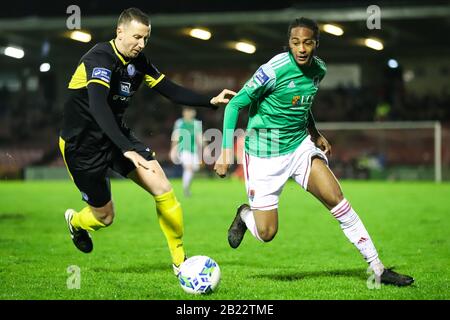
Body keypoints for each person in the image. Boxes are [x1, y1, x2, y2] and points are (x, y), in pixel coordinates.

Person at [214, 17, 414, 286]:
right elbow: (234, 105)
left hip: (298, 148)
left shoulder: (318, 70)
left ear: (316, 44)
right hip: (263, 155)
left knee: (337, 199)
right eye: (296, 43)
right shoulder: (273, 70)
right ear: (289, 44)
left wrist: (315, 133)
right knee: (266, 233)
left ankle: (377, 268)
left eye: (307, 42)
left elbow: (302, 105)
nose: (302, 48)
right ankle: (244, 214)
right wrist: (226, 151)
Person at [59, 7, 235, 274]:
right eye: (137, 37)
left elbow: (168, 89)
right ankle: (77, 222)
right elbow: (98, 106)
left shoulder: (139, 61)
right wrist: (126, 148)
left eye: (146, 39)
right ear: (120, 32)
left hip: (117, 137)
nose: (141, 45)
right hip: (82, 146)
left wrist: (209, 100)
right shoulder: (99, 58)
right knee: (105, 217)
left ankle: (180, 261)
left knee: (163, 188)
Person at [170, 107, 203, 197]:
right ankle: (186, 190)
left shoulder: (196, 123)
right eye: (187, 111)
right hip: (183, 149)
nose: (190, 113)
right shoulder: (179, 122)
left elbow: (199, 136)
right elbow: (176, 135)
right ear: (184, 113)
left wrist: (206, 148)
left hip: (194, 150)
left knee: (194, 168)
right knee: (188, 168)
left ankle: (187, 187)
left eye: (191, 111)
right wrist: (173, 149)